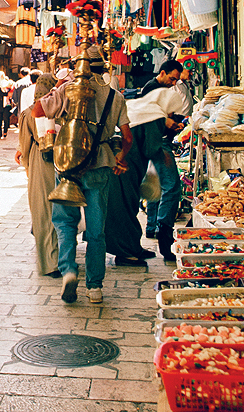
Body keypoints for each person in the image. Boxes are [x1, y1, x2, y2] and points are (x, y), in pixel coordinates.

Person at [33, 51, 132, 304]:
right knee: (97, 230)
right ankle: (95, 287)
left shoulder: (67, 89)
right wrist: (121, 158)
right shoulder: (115, 96)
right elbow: (127, 138)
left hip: (68, 166)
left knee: (65, 223)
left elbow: (36, 111)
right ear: (103, 69)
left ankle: (68, 271)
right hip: (100, 166)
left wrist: (55, 89)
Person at [105, 88, 187, 265]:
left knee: (128, 206)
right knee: (124, 207)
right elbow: (150, 148)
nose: (171, 114)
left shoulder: (141, 106)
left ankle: (134, 247)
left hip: (121, 163)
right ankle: (126, 254)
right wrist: (162, 154)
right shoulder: (155, 115)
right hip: (125, 167)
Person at [137, 59, 185, 247]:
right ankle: (164, 229)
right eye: (172, 79)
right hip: (157, 142)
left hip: (155, 142)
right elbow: (150, 113)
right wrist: (168, 122)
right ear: (163, 73)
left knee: (156, 185)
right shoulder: (152, 87)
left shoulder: (162, 88)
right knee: (172, 187)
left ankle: (152, 227)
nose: (174, 83)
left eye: (176, 81)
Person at [15, 73, 59, 277]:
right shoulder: (59, 111)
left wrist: (27, 167)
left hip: (39, 165)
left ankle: (48, 263)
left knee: (42, 214)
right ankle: (58, 258)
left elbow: (24, 145)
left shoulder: (28, 113)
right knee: (58, 213)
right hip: (60, 163)